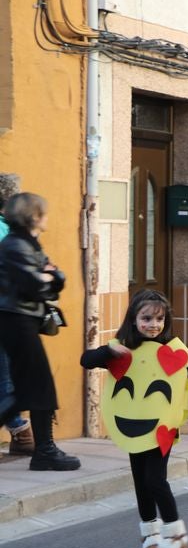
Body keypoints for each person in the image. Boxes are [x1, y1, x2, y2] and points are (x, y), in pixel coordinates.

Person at [79, 289, 188, 548]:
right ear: (134, 319)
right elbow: (86, 361)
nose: (153, 325)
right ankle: (151, 534)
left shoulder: (175, 351)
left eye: (160, 319)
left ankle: (176, 536)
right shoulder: (123, 348)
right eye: (146, 318)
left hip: (161, 428)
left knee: (155, 480)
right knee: (140, 482)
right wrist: (108, 350)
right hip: (132, 424)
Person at [0, 193, 80, 471]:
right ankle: (45, 450)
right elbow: (37, 284)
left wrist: (52, 275)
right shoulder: (15, 247)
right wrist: (50, 276)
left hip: (24, 321)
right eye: (43, 213)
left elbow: (55, 276)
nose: (47, 217)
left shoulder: (27, 244)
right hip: (16, 321)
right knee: (32, 389)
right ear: (34, 217)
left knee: (34, 389)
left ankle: (45, 450)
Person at [0, 207, 34, 457]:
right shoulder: (8, 232)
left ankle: (21, 432)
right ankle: (20, 431)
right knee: (6, 375)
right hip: (7, 312)